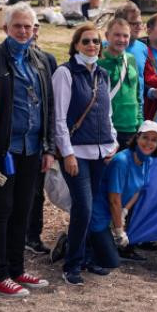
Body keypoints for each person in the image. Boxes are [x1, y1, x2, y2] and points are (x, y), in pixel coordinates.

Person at [0, 3, 54, 298]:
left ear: (35, 29)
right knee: (1, 210)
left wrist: (49, 148)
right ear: (6, 27)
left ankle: (17, 269)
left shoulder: (42, 60)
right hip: (1, 152)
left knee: (23, 209)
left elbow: (49, 107)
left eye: (28, 26)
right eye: (17, 26)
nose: (23, 31)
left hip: (32, 149)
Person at [51, 23, 118, 286]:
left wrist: (112, 143)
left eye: (96, 42)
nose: (92, 46)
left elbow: (107, 113)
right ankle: (72, 263)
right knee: (83, 207)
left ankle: (88, 257)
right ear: (76, 45)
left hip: (101, 152)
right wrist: (66, 154)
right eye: (86, 41)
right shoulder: (65, 73)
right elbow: (59, 119)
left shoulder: (102, 74)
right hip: (76, 152)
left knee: (92, 208)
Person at [87, 120, 157, 268]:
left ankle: (94, 243)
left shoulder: (147, 160)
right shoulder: (122, 161)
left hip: (114, 213)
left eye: (154, 140)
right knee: (111, 262)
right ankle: (71, 242)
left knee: (110, 257)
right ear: (137, 137)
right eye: (145, 138)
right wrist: (119, 230)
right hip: (99, 214)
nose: (149, 143)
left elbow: (139, 188)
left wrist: (125, 210)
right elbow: (114, 200)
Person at [26, 19, 58, 256]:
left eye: (35, 25)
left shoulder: (48, 60)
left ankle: (32, 235)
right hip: (13, 140)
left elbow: (52, 101)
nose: (32, 30)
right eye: (26, 26)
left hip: (39, 138)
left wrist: (51, 143)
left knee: (36, 191)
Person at [98, 18, 144, 149]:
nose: (121, 39)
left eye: (125, 36)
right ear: (107, 36)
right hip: (109, 130)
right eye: (117, 35)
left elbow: (137, 94)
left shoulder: (131, 59)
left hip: (133, 128)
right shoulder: (98, 62)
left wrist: (140, 122)